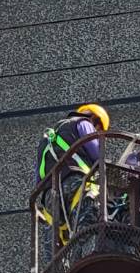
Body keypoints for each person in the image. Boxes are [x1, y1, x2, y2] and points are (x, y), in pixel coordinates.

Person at [35, 103, 110, 242]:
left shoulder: (47, 139)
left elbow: (38, 179)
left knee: (61, 237)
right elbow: (96, 154)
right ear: (95, 119)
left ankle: (64, 258)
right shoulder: (83, 123)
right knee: (90, 219)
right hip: (74, 183)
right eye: (98, 131)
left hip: (49, 197)